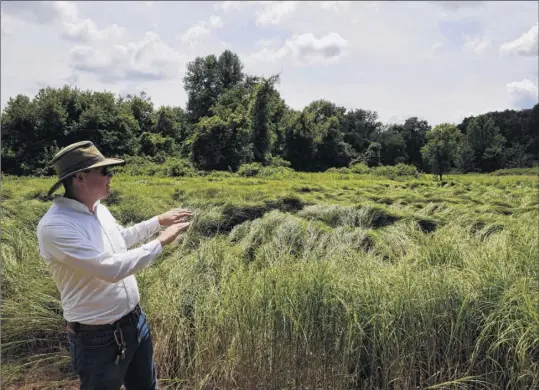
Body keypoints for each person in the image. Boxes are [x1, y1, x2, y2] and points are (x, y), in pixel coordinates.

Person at [36, 140, 191, 390]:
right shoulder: (56, 226)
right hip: (97, 337)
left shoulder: (99, 210)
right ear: (80, 178)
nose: (111, 176)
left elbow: (120, 240)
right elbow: (110, 269)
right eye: (104, 171)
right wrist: (161, 241)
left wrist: (157, 221)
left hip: (136, 322)